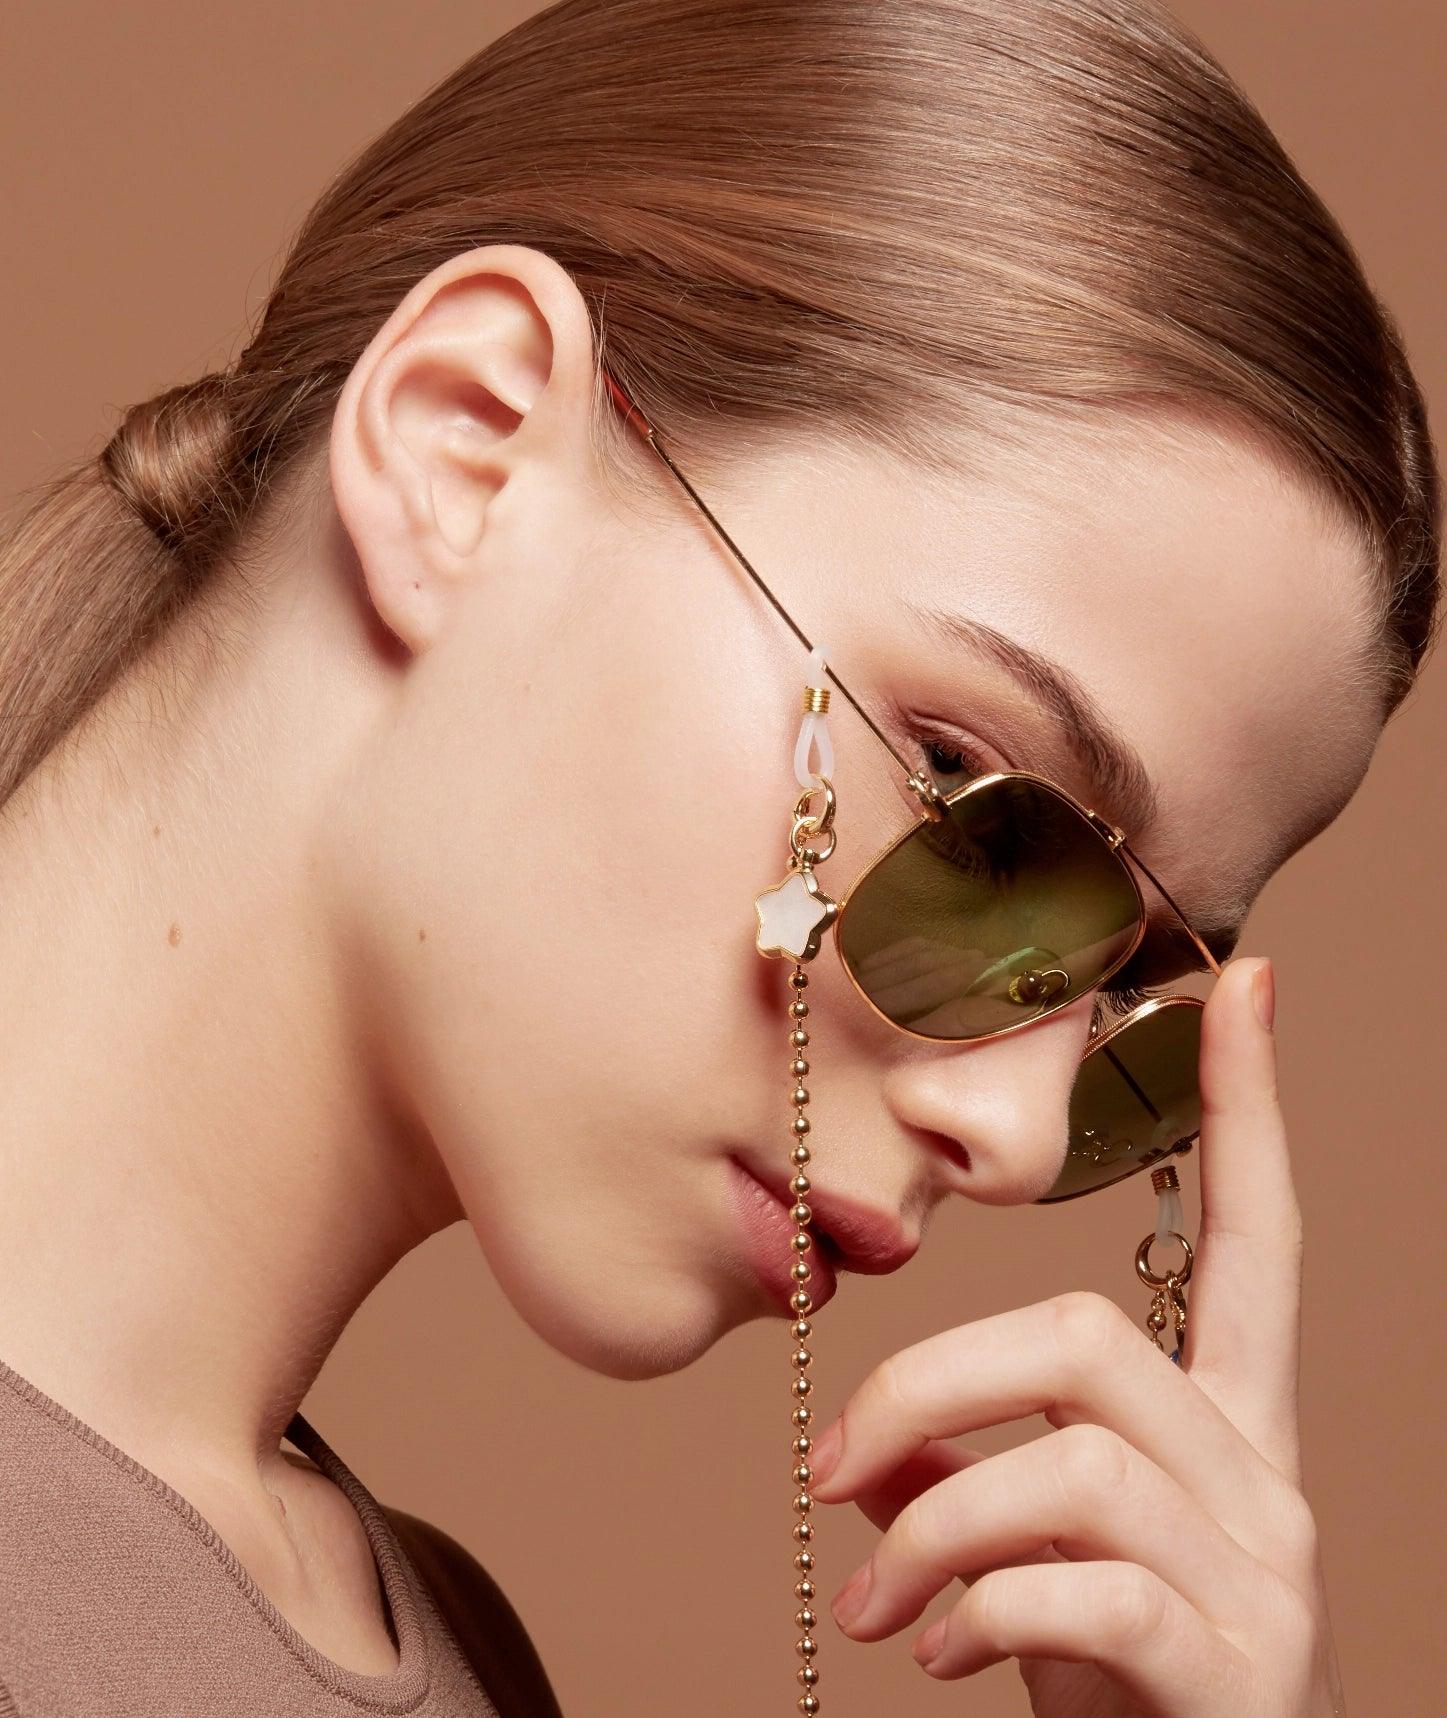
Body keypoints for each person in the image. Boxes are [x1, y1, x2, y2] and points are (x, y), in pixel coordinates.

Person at [0, 0, 1437, 1713]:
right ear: (466, 447)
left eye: (1130, 993)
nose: (1017, 1129)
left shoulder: (439, 1649)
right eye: (984, 820)